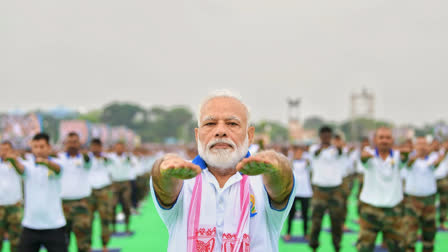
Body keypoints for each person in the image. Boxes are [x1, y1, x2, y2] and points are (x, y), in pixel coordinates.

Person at [151, 90, 295, 252]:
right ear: (198, 135)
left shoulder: (264, 175)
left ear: (250, 135)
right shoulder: (180, 175)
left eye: (232, 124)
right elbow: (163, 184)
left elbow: (282, 181)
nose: (220, 131)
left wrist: (277, 162)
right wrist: (162, 167)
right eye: (210, 124)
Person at [356, 127, 408, 251]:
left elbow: (404, 160)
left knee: (398, 248)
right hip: (370, 210)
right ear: (375, 140)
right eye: (381, 137)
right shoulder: (369, 155)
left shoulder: (397, 156)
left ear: (392, 140)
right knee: (364, 248)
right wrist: (364, 156)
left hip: (393, 210)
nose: (384, 140)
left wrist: (406, 154)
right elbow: (363, 159)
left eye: (388, 137)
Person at [17, 133, 68, 252]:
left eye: (42, 147)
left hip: (54, 225)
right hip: (30, 226)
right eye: (35, 147)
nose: (38, 150)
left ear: (49, 147)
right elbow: (20, 169)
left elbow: (58, 169)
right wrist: (12, 160)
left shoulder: (58, 162)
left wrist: (45, 162)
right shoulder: (27, 165)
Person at [403, 136, 446, 252]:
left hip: (429, 201)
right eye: (419, 144)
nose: (422, 147)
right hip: (412, 200)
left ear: (428, 146)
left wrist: (443, 150)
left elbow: (437, 162)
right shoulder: (409, 158)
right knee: (409, 235)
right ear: (415, 146)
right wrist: (417, 154)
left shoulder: (432, 158)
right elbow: (409, 163)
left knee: (429, 234)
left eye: (424, 144)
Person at [308, 126, 346, 252]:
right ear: (320, 137)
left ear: (331, 136)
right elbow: (315, 154)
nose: (326, 138)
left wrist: (337, 145)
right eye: (324, 136)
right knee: (316, 222)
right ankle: (314, 246)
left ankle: (337, 246)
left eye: (328, 136)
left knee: (336, 222)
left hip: (336, 191)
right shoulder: (314, 149)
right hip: (319, 190)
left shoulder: (338, 150)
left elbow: (341, 152)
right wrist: (323, 146)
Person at [59, 132, 93, 252]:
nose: (72, 145)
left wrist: (84, 153)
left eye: (75, 142)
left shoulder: (85, 158)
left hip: (81, 205)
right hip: (62, 205)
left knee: (84, 243)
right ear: (65, 143)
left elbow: (88, 161)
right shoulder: (59, 158)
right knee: (62, 243)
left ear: (79, 143)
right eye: (69, 142)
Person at [88, 138, 113, 252]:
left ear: (101, 147)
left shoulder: (106, 158)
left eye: (97, 146)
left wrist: (102, 157)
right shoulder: (86, 158)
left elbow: (111, 162)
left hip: (103, 190)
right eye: (93, 146)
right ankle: (88, 245)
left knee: (105, 218)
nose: (95, 149)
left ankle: (104, 245)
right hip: (89, 191)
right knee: (87, 220)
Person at [107, 142, 136, 234]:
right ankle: (114, 228)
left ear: (124, 148)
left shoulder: (128, 157)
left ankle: (127, 227)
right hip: (114, 183)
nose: (119, 149)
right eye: (117, 147)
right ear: (115, 148)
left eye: (121, 148)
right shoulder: (110, 157)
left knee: (126, 205)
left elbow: (134, 163)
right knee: (112, 206)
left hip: (125, 183)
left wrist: (129, 158)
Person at [285, 145, 312, 241]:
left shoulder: (307, 162)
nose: (298, 154)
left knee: (305, 214)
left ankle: (305, 233)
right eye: (297, 152)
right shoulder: (290, 162)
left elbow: (312, 157)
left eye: (300, 152)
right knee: (291, 214)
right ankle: (288, 233)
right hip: (294, 192)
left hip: (305, 192)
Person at [0, 141, 23, 252]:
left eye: (7, 149)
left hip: (14, 206)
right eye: (2, 149)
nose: (4, 152)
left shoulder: (18, 164)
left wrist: (14, 159)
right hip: (0, 207)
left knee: (16, 241)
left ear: (12, 151)